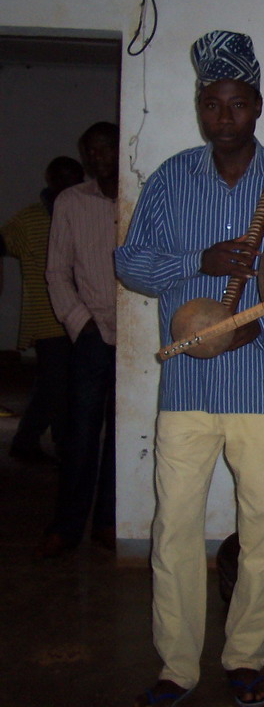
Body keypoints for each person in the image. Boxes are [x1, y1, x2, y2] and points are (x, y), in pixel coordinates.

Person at [116, 30, 264, 707]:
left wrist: (253, 327)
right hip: (188, 386)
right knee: (174, 529)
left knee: (263, 532)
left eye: (236, 103)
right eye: (212, 103)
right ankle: (176, 666)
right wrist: (195, 264)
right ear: (200, 107)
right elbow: (130, 263)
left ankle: (245, 658)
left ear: (257, 106)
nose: (223, 116)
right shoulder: (173, 178)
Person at [39, 126, 119, 558]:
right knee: (81, 433)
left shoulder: (140, 198)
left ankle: (108, 522)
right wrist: (80, 322)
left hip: (136, 337)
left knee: (123, 435)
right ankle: (66, 528)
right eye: (90, 151)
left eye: (105, 148)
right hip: (90, 333)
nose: (98, 156)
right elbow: (57, 271)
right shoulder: (71, 202)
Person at [0, 156, 82, 461]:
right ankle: (49, 444)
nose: (66, 185)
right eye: (60, 178)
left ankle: (36, 442)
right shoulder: (30, 219)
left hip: (83, 315)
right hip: (47, 317)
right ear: (49, 179)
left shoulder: (83, 211)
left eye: (73, 178)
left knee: (58, 382)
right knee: (57, 383)